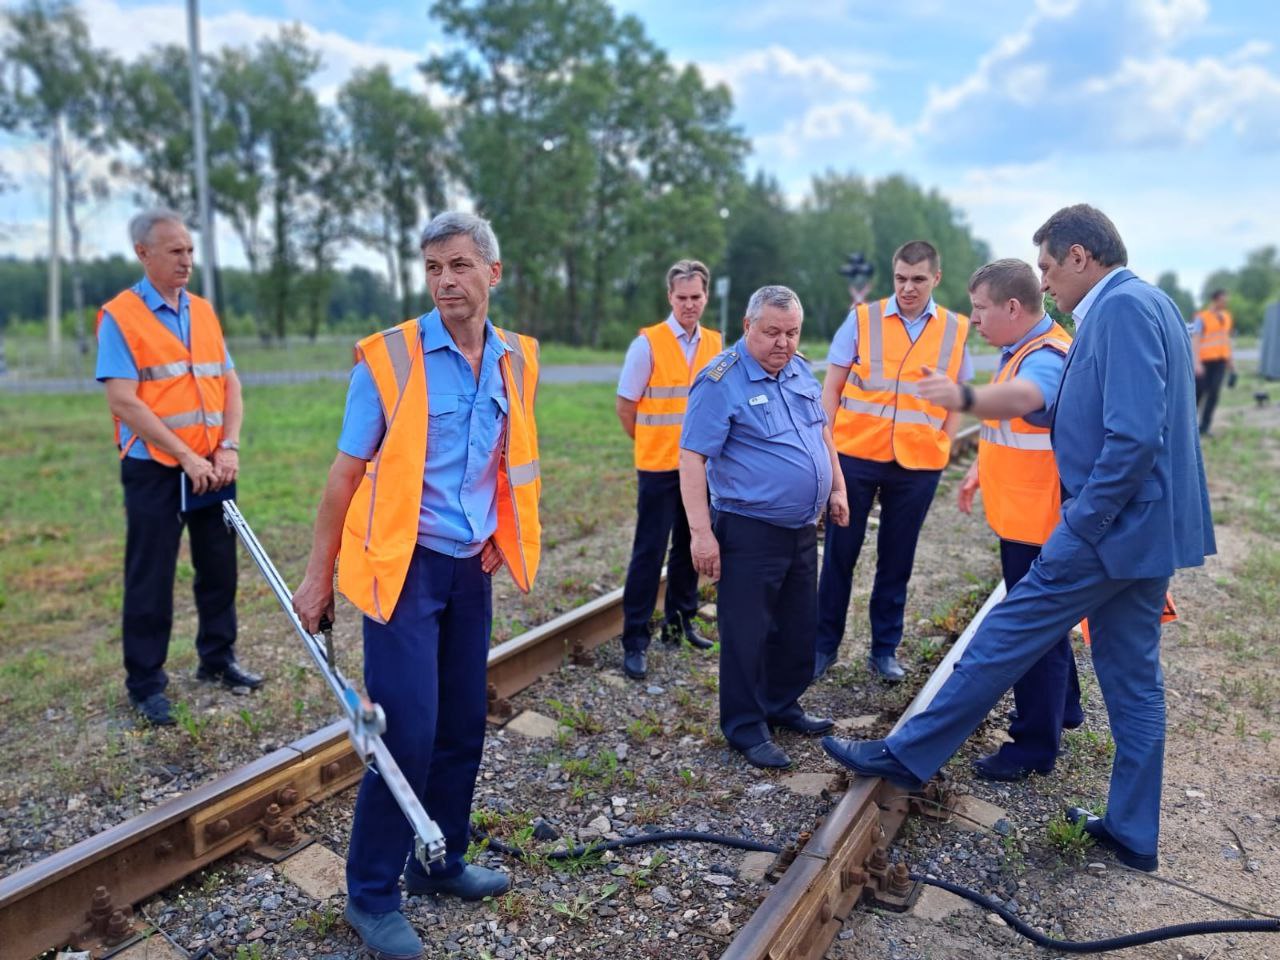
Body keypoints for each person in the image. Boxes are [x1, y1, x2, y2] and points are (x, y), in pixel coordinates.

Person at [823, 205, 1215, 874]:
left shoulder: (1118, 311)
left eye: (1047, 267)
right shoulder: (1152, 302)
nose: (1046, 283)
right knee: (1133, 681)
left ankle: (907, 754)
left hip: (1107, 531)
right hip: (1147, 532)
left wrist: (1080, 525)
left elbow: (1134, 437)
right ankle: (1131, 830)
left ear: (1081, 258)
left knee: (1004, 635)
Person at [291, 212, 541, 960]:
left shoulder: (515, 361)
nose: (445, 282)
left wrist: (499, 530)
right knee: (406, 733)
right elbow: (344, 477)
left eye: (459, 265)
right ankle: (369, 896)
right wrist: (316, 577)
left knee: (463, 723)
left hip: (471, 569)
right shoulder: (390, 359)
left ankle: (440, 861)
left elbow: (505, 459)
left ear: (493, 274)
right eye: (433, 268)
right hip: (402, 571)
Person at [916, 258, 1083, 781]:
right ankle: (1065, 709)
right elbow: (1021, 435)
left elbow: (1032, 398)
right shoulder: (1019, 349)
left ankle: (1033, 748)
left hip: (1038, 525)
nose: (974, 319)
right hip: (1022, 515)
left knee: (1035, 636)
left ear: (1013, 307)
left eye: (981, 308)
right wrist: (980, 473)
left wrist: (965, 398)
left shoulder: (1046, 355)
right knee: (1046, 625)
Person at [96, 208, 259, 728]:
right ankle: (145, 685)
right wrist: (184, 455)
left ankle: (218, 658)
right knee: (150, 574)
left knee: (219, 566)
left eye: (189, 250)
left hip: (213, 465)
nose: (187, 260)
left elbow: (230, 383)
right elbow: (124, 401)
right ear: (144, 254)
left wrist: (226, 447)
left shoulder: (204, 312)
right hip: (156, 469)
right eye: (175, 251)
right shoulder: (120, 316)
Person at [678, 285, 850, 769]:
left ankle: (781, 704)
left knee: (797, 628)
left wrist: (836, 488)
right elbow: (691, 460)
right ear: (747, 327)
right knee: (747, 633)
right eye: (772, 332)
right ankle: (745, 726)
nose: (783, 342)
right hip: (748, 529)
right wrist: (700, 534)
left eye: (792, 332)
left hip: (800, 529)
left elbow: (821, 433)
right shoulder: (719, 381)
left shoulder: (798, 369)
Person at [815, 240, 973, 681]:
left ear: (935, 279)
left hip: (919, 463)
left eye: (918, 279)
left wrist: (945, 441)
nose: (908, 288)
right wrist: (825, 450)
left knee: (897, 559)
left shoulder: (955, 328)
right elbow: (832, 387)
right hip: (856, 456)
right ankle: (822, 645)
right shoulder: (862, 319)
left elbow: (958, 393)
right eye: (901, 278)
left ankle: (884, 650)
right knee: (839, 556)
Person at [614, 260, 723, 680]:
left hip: (702, 468)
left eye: (696, 297)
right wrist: (649, 443)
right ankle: (635, 640)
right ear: (670, 297)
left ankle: (679, 625)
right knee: (649, 551)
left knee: (690, 547)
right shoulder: (647, 345)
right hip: (659, 468)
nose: (689, 305)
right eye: (682, 298)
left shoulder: (716, 343)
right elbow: (627, 406)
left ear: (706, 296)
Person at [1191, 288, 1235, 437]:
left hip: (1220, 361)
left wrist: (1231, 361)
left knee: (1214, 393)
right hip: (1204, 362)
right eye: (1223, 300)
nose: (1225, 302)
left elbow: (1226, 339)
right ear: (1215, 300)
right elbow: (1196, 340)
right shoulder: (1201, 317)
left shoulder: (1227, 317)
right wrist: (1196, 363)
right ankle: (1190, 427)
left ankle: (1205, 427)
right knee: (1198, 394)